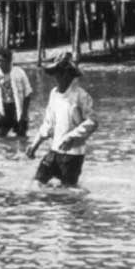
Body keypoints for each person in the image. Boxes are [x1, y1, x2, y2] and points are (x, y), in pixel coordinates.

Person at [26, 52, 98, 187]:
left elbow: (92, 122)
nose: (56, 76)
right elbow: (48, 123)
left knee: (68, 192)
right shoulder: (54, 93)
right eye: (55, 72)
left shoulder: (81, 96)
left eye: (60, 72)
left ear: (68, 74)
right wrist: (35, 145)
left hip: (73, 155)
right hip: (54, 150)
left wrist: (72, 137)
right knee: (36, 185)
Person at [0, 48, 33, 138]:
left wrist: (23, 114)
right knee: (0, 137)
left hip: (17, 107)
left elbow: (28, 94)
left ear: (8, 60)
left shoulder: (19, 73)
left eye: (1, 61)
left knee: (21, 136)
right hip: (2, 108)